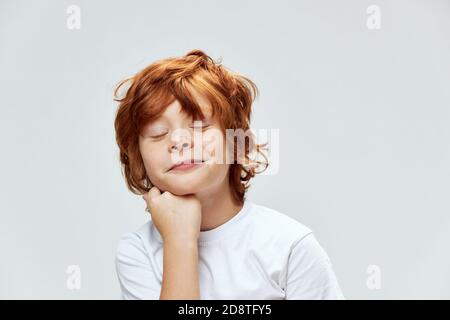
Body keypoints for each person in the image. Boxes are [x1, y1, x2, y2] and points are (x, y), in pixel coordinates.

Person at [113, 49, 344, 300]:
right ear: (138, 161)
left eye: (199, 125)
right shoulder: (138, 251)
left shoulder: (291, 246)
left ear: (238, 143)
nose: (178, 141)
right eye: (158, 132)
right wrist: (179, 240)